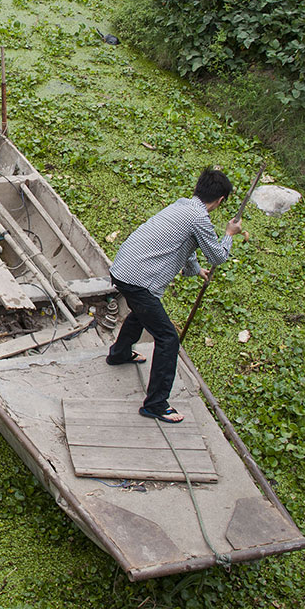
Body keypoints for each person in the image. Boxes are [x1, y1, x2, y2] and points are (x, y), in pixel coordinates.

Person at [106, 167, 243, 424]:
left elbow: (185, 246)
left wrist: (194, 270)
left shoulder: (182, 207)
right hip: (138, 281)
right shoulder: (200, 219)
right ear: (221, 200)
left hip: (123, 268)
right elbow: (218, 256)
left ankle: (120, 353)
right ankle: (156, 405)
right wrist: (228, 235)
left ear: (197, 188)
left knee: (141, 312)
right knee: (168, 338)